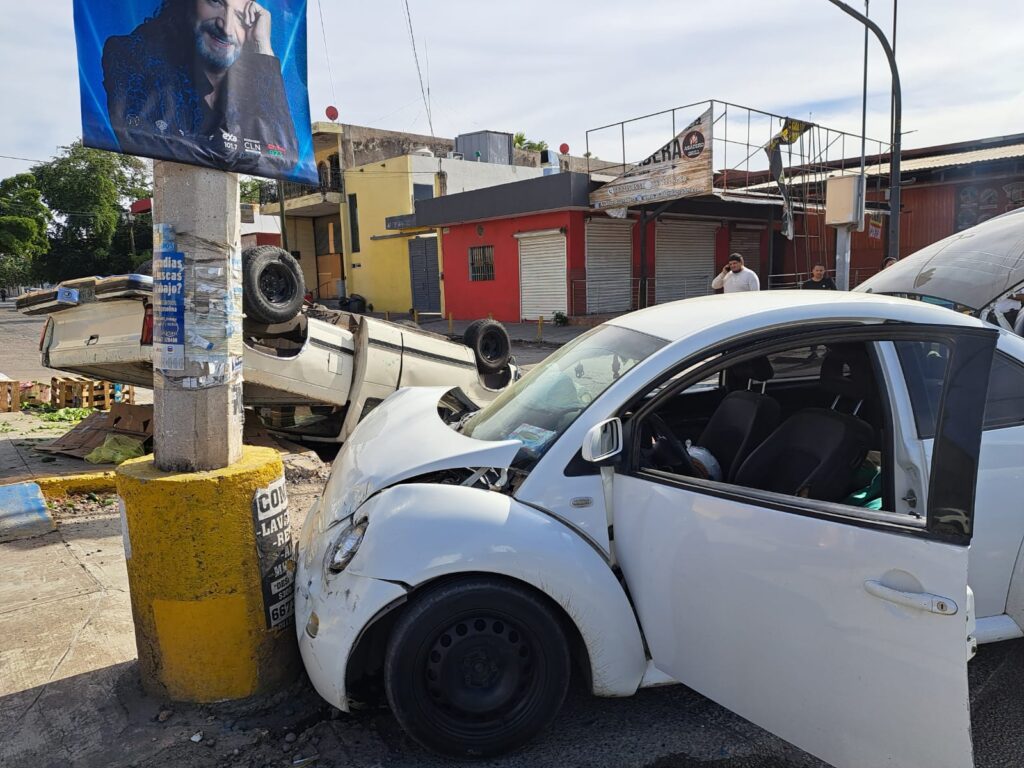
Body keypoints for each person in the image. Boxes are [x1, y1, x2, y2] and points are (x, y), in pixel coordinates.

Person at [102, 0, 299, 178]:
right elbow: (143, 139)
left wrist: (262, 46)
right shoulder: (131, 53)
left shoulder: (246, 84)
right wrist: (234, 150)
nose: (227, 27)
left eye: (240, 17)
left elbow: (283, 156)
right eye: (216, 2)